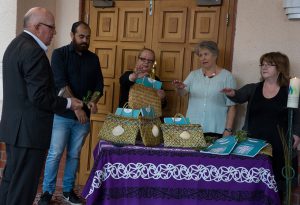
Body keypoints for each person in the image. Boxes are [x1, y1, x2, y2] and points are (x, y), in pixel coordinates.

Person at [0, 7, 83, 205]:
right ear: (37, 27)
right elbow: (38, 96)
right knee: (23, 188)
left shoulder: (15, 45)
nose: (54, 32)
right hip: (29, 132)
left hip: (15, 130)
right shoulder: (33, 52)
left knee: (11, 183)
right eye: (52, 27)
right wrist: (69, 103)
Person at [38, 21, 104, 205]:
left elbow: (99, 86)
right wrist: (78, 108)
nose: (85, 40)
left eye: (88, 37)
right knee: (55, 153)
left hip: (83, 119)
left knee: (74, 154)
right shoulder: (59, 55)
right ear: (72, 35)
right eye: (81, 36)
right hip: (62, 114)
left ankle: (68, 191)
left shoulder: (93, 58)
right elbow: (61, 85)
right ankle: (47, 192)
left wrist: (93, 101)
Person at [221, 51, 300, 199]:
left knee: (279, 185)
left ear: (280, 68)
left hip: (280, 144)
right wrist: (231, 93)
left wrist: (296, 133)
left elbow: (297, 114)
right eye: (262, 64)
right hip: (254, 143)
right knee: (253, 182)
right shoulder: (254, 88)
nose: (264, 67)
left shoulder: (291, 90)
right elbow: (239, 96)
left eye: (269, 64)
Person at [172, 40, 236, 138]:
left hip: (216, 129)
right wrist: (179, 88)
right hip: (192, 129)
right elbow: (182, 93)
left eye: (206, 54)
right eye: (200, 55)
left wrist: (228, 130)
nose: (203, 58)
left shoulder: (227, 76)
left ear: (215, 55)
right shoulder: (193, 75)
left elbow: (232, 106)